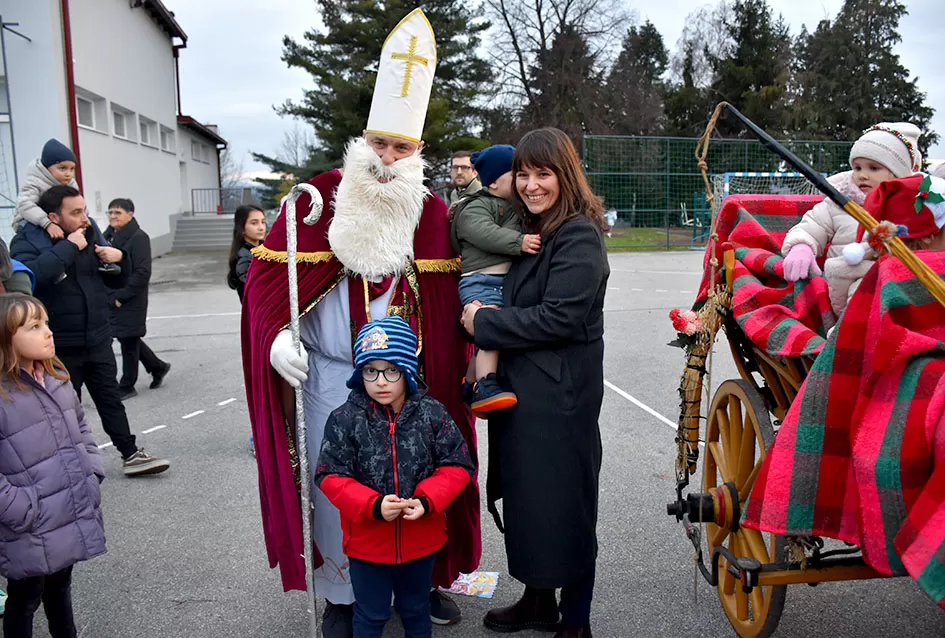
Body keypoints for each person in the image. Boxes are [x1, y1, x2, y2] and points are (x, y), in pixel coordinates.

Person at [241, 9, 479, 636]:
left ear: (417, 153)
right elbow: (268, 290)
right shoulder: (318, 200)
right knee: (338, 488)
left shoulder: (429, 215)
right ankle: (341, 595)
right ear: (360, 141)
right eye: (378, 143)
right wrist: (275, 339)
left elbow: (449, 304)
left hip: (409, 384)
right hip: (331, 381)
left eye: (400, 147)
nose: (386, 157)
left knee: (419, 481)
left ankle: (419, 585)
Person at [461, 128, 609, 638]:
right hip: (526, 393)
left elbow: (559, 318)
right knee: (528, 503)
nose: (530, 184)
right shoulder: (537, 230)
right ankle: (538, 601)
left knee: (565, 506)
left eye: (542, 173)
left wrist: (483, 324)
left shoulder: (578, 235)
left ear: (564, 175)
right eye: (522, 173)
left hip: (561, 397)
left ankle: (577, 618)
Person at [315, 316, 474, 638]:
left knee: (416, 611)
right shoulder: (344, 419)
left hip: (422, 540)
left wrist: (428, 500)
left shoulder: (433, 414)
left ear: (408, 371)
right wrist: (372, 505)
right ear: (360, 373)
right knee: (371, 614)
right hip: (367, 544)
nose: (381, 381)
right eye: (370, 370)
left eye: (392, 369)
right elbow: (330, 474)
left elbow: (457, 464)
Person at [10, 185, 169, 477]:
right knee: (63, 410)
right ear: (53, 217)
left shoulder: (89, 235)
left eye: (84, 210)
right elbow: (35, 280)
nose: (85, 218)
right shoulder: (26, 242)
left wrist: (120, 261)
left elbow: (113, 282)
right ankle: (69, 466)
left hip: (97, 336)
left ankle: (131, 454)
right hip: (58, 345)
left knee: (110, 399)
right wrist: (69, 246)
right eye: (76, 212)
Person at [0, 293, 106, 638]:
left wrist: (91, 468)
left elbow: (83, 428)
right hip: (27, 522)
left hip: (66, 508)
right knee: (24, 599)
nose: (48, 332)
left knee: (60, 589)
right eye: (34, 326)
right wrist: (20, 507)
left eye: (46, 323)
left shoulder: (57, 379)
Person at [781, 122, 921, 315]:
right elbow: (811, 226)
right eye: (857, 168)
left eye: (873, 168)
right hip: (842, 289)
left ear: (898, 174)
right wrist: (801, 246)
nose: (862, 175)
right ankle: (848, 332)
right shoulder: (839, 203)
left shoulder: (913, 207)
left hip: (895, 290)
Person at [450, 144, 539, 412]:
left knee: (488, 328)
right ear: (493, 183)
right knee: (490, 325)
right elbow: (482, 232)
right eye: (516, 175)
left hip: (499, 280)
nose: (523, 181)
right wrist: (519, 241)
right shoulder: (476, 207)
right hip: (481, 279)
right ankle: (487, 383)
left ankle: (469, 382)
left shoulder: (509, 205)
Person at [15, 138, 119, 274]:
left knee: (91, 222)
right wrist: (47, 224)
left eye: (72, 169)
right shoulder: (34, 181)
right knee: (38, 235)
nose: (68, 173)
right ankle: (54, 266)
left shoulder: (70, 182)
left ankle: (103, 252)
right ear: (46, 168)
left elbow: (79, 203)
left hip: (56, 220)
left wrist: (84, 216)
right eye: (62, 168)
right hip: (31, 220)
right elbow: (25, 205)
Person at [103, 198, 171, 400]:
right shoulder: (109, 236)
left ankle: (127, 385)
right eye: (111, 212)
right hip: (113, 294)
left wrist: (121, 297)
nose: (113, 216)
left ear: (130, 214)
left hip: (130, 297)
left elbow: (142, 272)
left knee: (128, 339)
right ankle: (157, 366)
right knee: (128, 336)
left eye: (118, 212)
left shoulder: (139, 238)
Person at [227, 204, 267, 302]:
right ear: (242, 227)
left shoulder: (266, 250)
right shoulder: (244, 258)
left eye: (263, 222)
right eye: (254, 223)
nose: (261, 227)